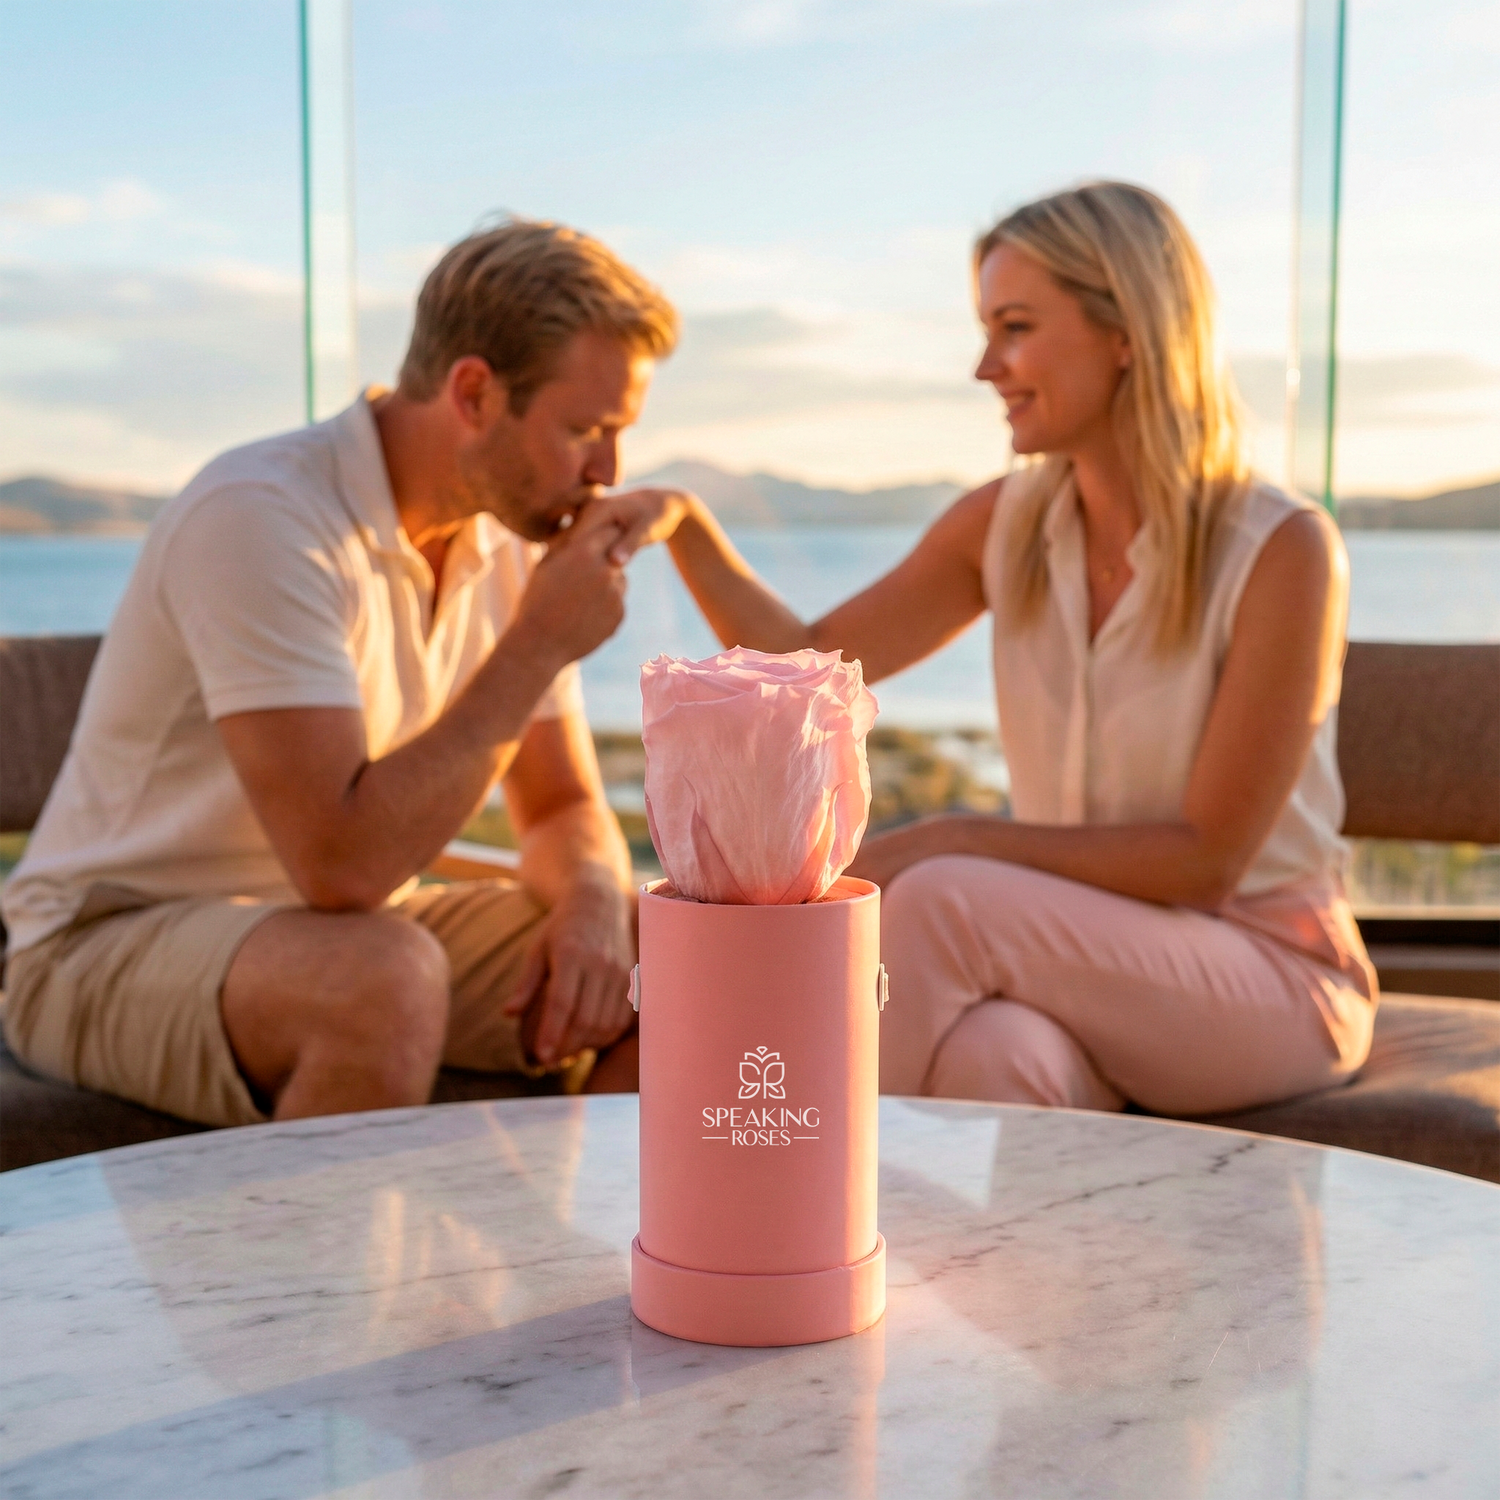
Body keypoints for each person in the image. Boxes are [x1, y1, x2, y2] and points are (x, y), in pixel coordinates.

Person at [602, 181, 1376, 1115]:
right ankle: (947, 1255)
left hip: (1274, 979)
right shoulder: (1005, 527)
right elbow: (807, 662)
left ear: (1127, 331)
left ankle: (771, 1201)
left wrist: (951, 835)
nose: (985, 367)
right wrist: (687, 526)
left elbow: (1206, 861)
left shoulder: (1280, 548)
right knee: (993, 1052)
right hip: (1080, 971)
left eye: (1014, 327)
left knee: (945, 898)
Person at [1, 219, 677, 1124]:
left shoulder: (509, 538)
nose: (608, 472)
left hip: (336, 933)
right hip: (100, 942)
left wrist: (595, 898)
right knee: (378, 982)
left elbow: (557, 806)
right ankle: (314, 1273)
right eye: (586, 429)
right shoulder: (264, 517)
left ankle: (567, 1249)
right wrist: (538, 647)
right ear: (473, 392)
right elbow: (343, 868)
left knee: (676, 955)